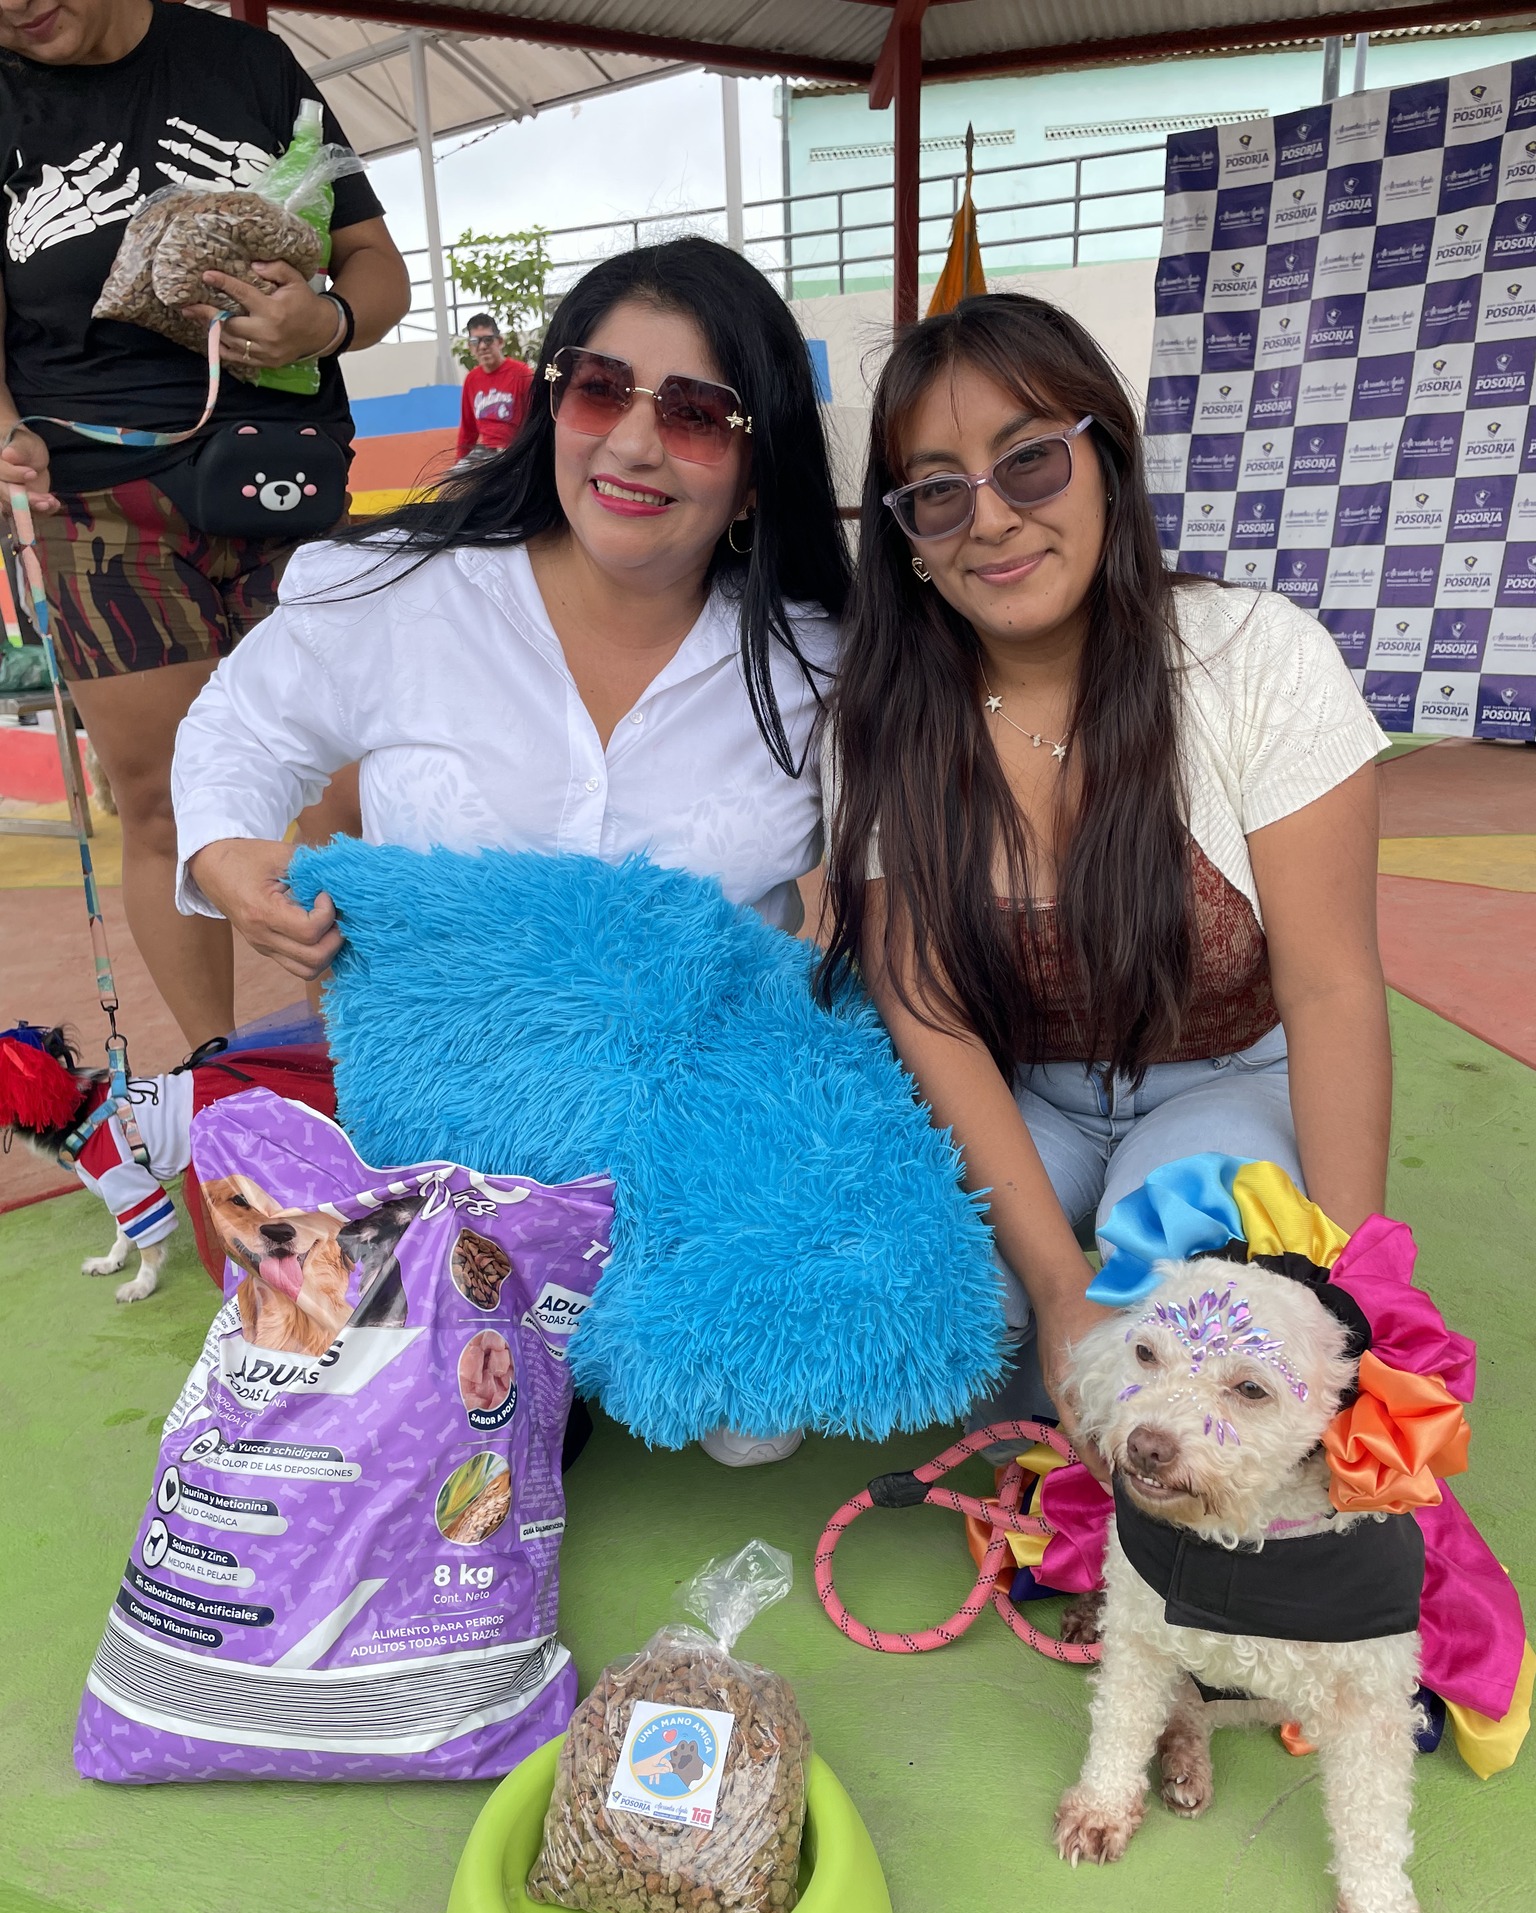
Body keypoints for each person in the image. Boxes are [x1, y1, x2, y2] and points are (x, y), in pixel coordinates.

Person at [172, 236, 851, 1464]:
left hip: (699, 1138)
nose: (633, 443)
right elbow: (241, 728)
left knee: (751, 1431)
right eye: (600, 388)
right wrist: (229, 860)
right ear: (550, 407)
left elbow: (905, 869)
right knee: (430, 1435)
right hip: (451, 1141)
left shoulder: (819, 662)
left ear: (758, 473)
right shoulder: (402, 592)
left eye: (697, 413)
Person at [817, 294, 1389, 1468]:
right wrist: (1053, 1283)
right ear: (908, 536)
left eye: (1029, 459)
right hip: (1017, 1091)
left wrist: (1345, 1293)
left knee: (1187, 1291)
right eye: (938, 490)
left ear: (1107, 461)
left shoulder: (1255, 656)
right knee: (953, 1316)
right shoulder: (878, 715)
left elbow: (1331, 989)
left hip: (1224, 1081)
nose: (990, 518)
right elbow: (928, 1009)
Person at [0, 0, 410, 1049]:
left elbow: (376, 263)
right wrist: (6, 431)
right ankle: (217, 1074)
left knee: (344, 792)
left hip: (286, 479)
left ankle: (362, 1069)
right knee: (163, 803)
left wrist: (329, 320)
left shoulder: (247, 65)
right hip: (96, 499)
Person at [455, 312, 533, 463]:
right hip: (485, 453)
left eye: (488, 340)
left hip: (515, 451)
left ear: (500, 341)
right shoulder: (471, 380)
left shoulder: (523, 374)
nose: (482, 346)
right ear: (470, 347)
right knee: (455, 477)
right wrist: (459, 465)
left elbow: (534, 421)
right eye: (475, 341)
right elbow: (467, 430)